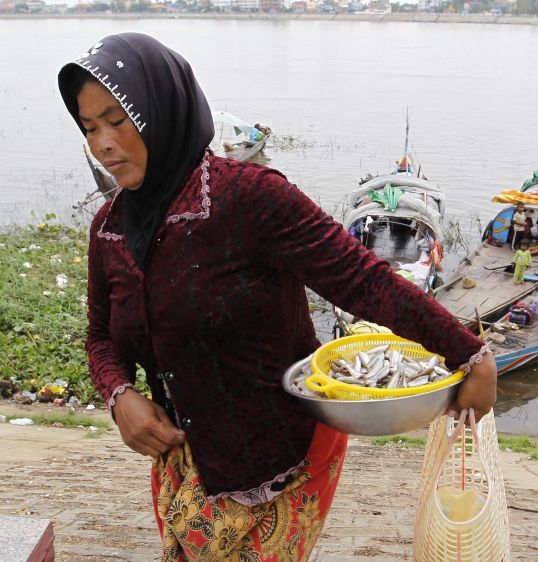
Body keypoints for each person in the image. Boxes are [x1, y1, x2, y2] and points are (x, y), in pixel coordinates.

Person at [57, 33, 497, 562]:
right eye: (89, 128)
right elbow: (101, 335)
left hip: (280, 461)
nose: (102, 144)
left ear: (160, 111)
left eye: (116, 119)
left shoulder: (250, 198)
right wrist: (119, 394)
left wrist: (468, 352)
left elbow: (362, 280)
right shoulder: (109, 228)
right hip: (182, 462)